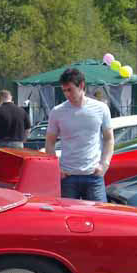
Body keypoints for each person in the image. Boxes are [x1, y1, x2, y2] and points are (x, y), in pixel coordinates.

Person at [45, 68, 113, 202]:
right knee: (68, 218)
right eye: (64, 90)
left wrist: (104, 164)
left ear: (81, 85)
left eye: (70, 89)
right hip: (68, 176)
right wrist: (56, 169)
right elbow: (49, 142)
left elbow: (109, 139)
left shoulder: (101, 108)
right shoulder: (57, 112)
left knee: (99, 217)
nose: (66, 94)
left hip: (94, 175)